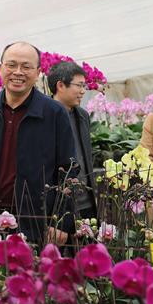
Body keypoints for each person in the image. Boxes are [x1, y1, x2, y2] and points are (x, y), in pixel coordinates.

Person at [0, 42, 77, 245]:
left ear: (38, 72)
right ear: (0, 68)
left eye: (26, 66)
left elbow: (69, 169)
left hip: (35, 220)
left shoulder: (54, 113)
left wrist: (61, 220)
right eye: (11, 65)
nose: (18, 72)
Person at [47, 61, 97, 218]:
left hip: (87, 202)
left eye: (84, 86)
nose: (83, 91)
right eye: (79, 85)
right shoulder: (45, 115)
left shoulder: (82, 115)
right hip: (59, 204)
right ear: (60, 85)